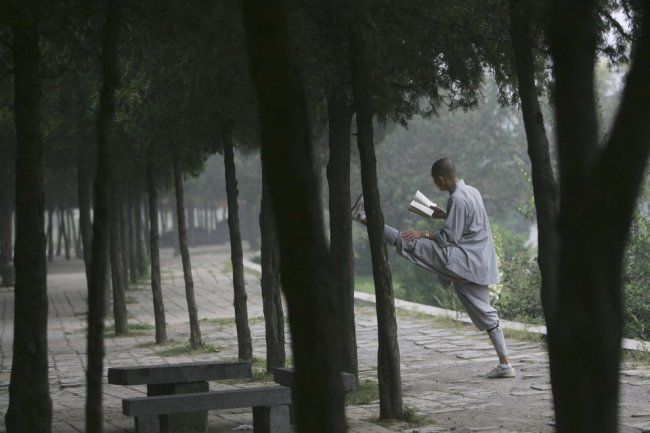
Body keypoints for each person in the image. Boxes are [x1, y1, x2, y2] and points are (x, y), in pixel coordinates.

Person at [351, 158, 515, 379]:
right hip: (479, 262)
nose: (436, 185)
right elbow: (469, 222)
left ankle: (362, 216)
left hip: (461, 260)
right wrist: (445, 214)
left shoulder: (457, 198)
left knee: (407, 241)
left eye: (435, 182)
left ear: (441, 179)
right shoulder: (472, 192)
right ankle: (505, 364)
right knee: (487, 313)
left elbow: (448, 239)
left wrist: (423, 234)